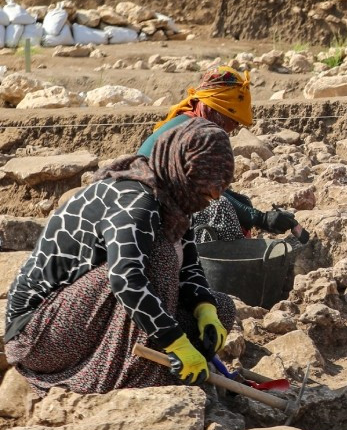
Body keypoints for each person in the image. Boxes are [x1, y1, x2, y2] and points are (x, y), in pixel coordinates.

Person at [5, 119, 238, 393]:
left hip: (91, 320)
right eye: (206, 186)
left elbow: (189, 266)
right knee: (160, 258)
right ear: (181, 168)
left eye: (218, 188)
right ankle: (140, 384)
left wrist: (205, 309)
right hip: (40, 336)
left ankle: (169, 367)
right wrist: (175, 342)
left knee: (222, 307)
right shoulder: (136, 201)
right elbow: (126, 279)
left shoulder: (175, 202)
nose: (212, 195)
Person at [140, 65, 301, 243]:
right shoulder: (195, 132)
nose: (234, 128)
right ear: (211, 110)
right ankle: (224, 264)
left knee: (241, 202)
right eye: (232, 120)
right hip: (149, 206)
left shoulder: (192, 121)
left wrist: (255, 215)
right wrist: (260, 219)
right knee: (220, 209)